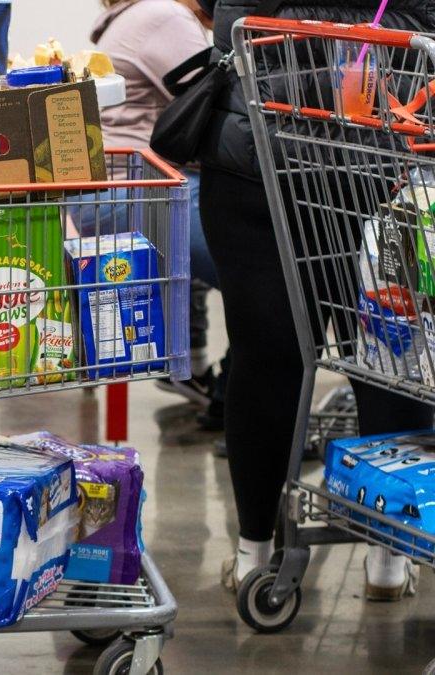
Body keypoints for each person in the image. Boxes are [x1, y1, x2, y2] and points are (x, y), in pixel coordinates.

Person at [197, 0, 435, 599]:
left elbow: (224, 16)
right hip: (370, 159)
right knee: (387, 359)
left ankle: (256, 553)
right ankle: (385, 557)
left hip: (268, 153)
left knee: (277, 361)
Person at [70, 0, 225, 418]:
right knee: (257, 268)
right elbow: (217, 104)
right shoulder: (166, 15)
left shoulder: (130, 16)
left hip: (101, 192)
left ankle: (195, 369)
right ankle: (240, 397)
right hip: (132, 191)